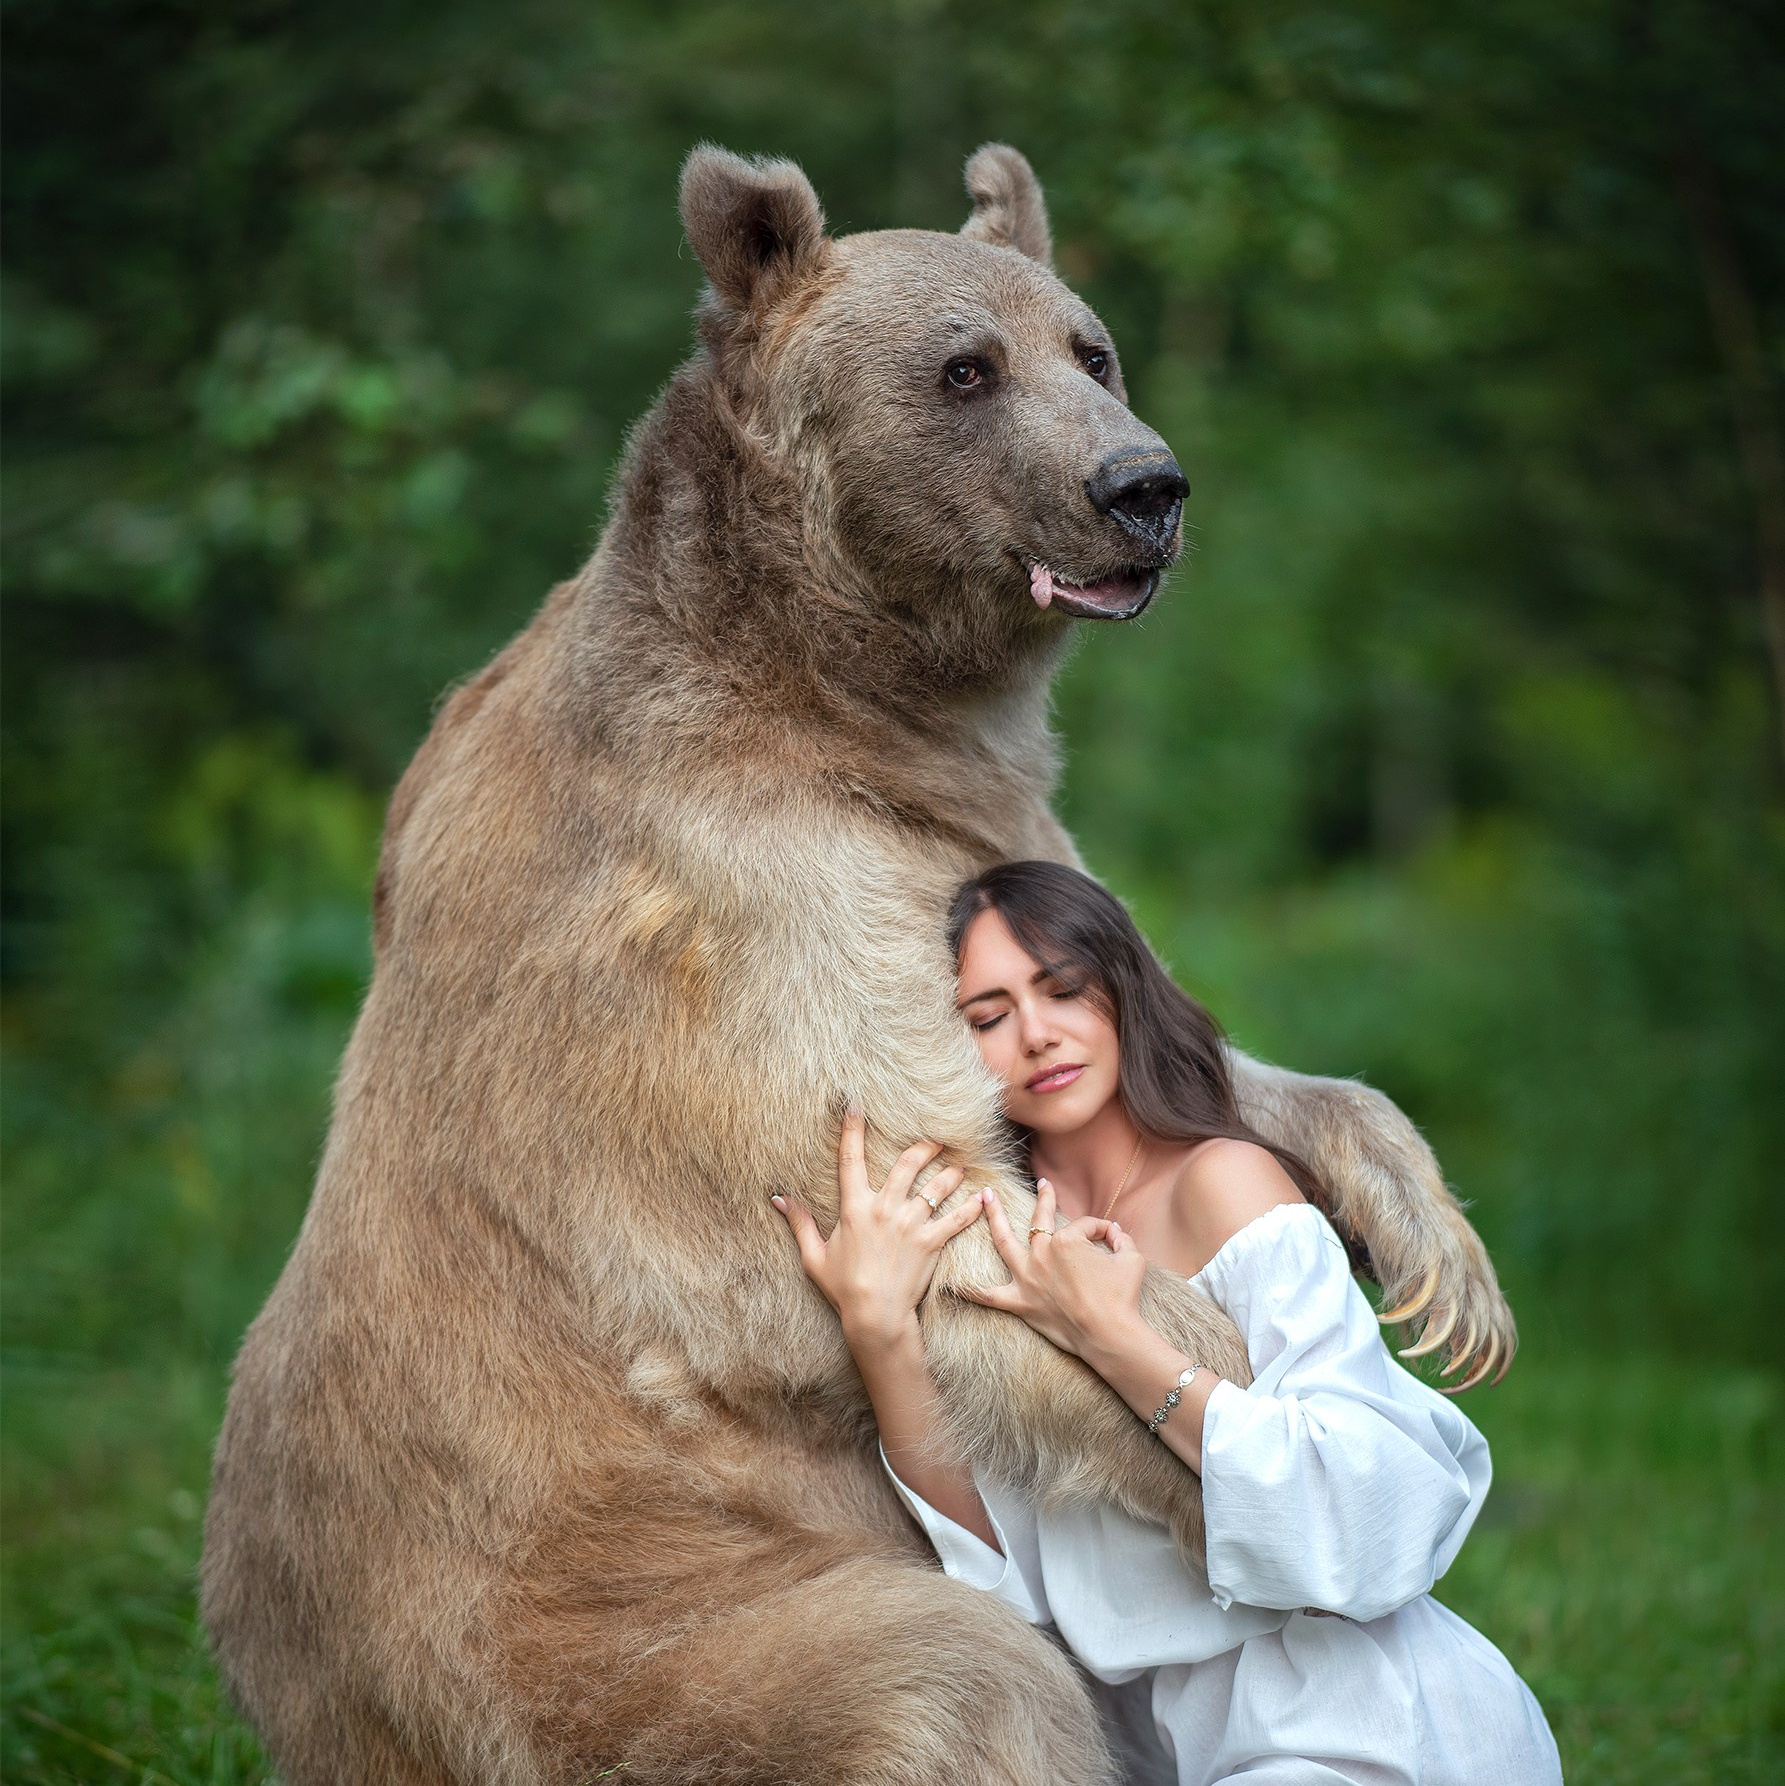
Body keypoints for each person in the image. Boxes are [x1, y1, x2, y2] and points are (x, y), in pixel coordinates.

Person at [773, 859, 1562, 1786]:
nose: (1036, 1034)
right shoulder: (994, 1232)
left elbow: (1361, 1516)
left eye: (1063, 989)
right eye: (987, 1017)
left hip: (1379, 1726)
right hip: (1193, 1756)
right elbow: (1002, 1580)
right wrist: (880, 1331)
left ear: (1121, 989)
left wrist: (1116, 1340)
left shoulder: (1222, 1181)